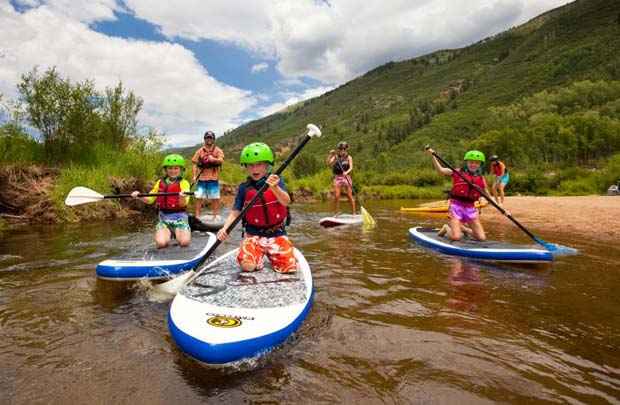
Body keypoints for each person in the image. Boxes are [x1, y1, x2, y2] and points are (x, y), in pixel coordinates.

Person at [217, 142, 297, 274]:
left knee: (289, 269)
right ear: (246, 167)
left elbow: (286, 202)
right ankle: (258, 257)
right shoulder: (244, 188)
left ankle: (276, 254)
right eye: (251, 165)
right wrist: (225, 228)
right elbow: (235, 212)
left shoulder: (277, 181)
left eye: (259, 164)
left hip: (277, 233)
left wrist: (275, 188)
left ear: (266, 165)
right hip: (253, 235)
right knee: (247, 266)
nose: (255, 169)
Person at [426, 149, 490, 241]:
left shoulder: (481, 178)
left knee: (481, 238)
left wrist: (502, 209)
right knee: (456, 237)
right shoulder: (457, 172)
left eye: (476, 163)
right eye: (471, 162)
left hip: (471, 209)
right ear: (467, 162)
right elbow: (441, 170)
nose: (473, 164)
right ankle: (447, 228)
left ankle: (464, 229)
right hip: (456, 207)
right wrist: (433, 156)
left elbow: (487, 193)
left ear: (480, 164)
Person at [131, 154, 191, 249]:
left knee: (184, 242)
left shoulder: (184, 183)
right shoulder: (160, 183)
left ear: (181, 170)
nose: (173, 171)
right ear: (166, 170)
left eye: (176, 168)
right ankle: (169, 234)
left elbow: (183, 203)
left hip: (180, 218)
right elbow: (150, 200)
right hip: (164, 218)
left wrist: (182, 197)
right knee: (161, 243)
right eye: (170, 168)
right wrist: (139, 196)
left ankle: (178, 232)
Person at [192, 130, 225, 221]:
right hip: (201, 178)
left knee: (215, 198)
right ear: (204, 139)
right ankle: (197, 216)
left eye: (211, 138)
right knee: (199, 197)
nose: (209, 139)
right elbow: (194, 163)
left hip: (213, 178)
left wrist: (213, 159)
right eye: (207, 138)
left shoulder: (218, 150)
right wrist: (194, 176)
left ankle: (215, 216)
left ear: (213, 139)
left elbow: (221, 160)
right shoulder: (199, 151)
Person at [326, 141, 356, 214]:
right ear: (339, 149)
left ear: (346, 149)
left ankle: (354, 213)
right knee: (337, 196)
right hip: (337, 178)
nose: (342, 150)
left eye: (344, 149)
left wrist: (346, 172)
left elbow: (351, 167)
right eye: (341, 149)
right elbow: (328, 163)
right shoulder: (335, 157)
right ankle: (336, 213)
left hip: (346, 177)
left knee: (349, 196)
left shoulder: (349, 157)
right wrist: (330, 155)